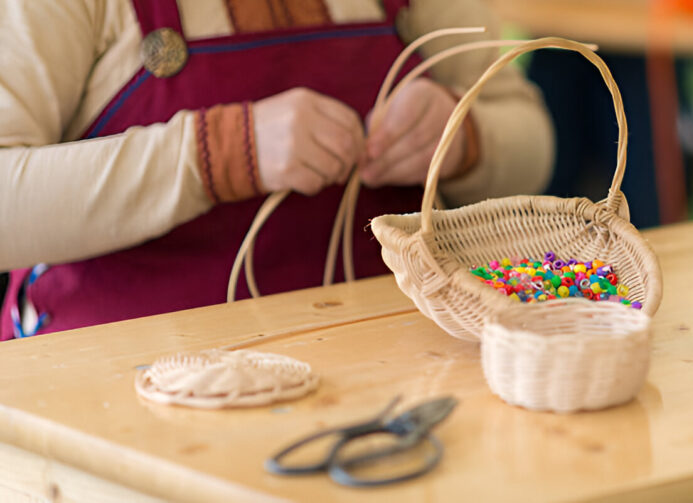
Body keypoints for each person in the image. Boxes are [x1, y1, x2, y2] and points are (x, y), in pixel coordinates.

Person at [0, 0, 554, 340]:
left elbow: (533, 144)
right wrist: (213, 155)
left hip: (394, 365)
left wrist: (465, 138)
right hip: (119, 385)